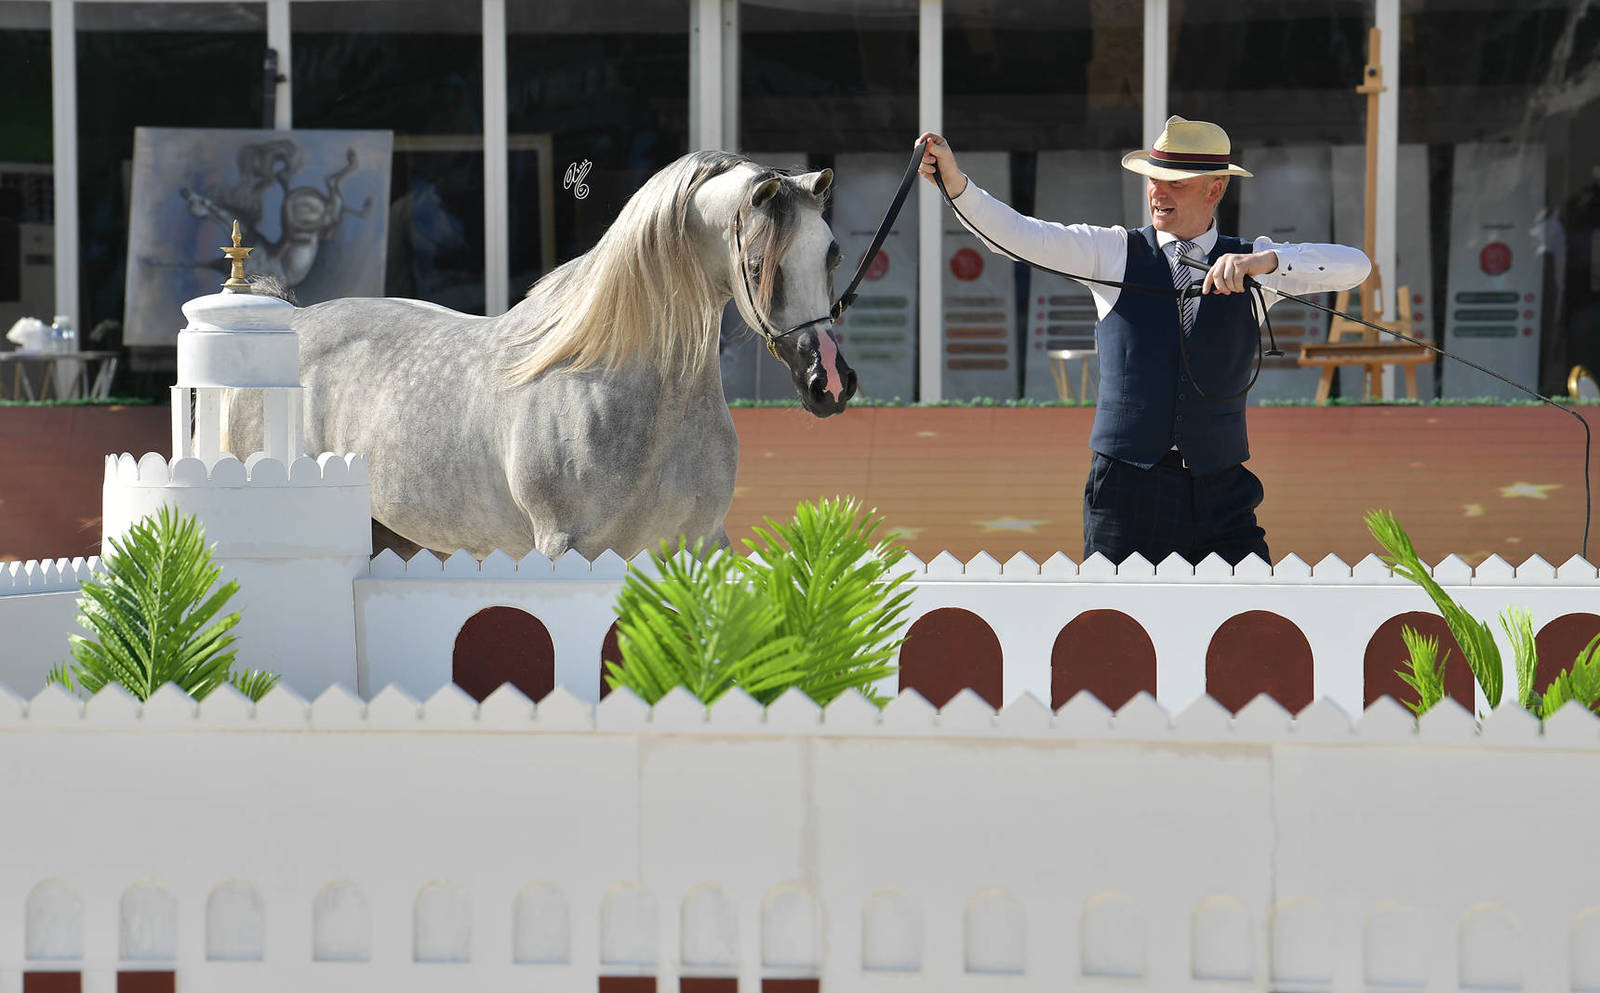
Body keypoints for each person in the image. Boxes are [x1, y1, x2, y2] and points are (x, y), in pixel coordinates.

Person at [915, 117, 1371, 567]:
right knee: (1117, 635)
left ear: (1215, 190)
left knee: (1251, 628)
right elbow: (1018, 236)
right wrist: (955, 183)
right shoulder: (1112, 252)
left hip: (1222, 490)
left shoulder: (1254, 263)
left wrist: (1268, 261)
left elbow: (1355, 267)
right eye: (1154, 179)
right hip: (1124, 492)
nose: (1158, 192)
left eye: (1175, 183)